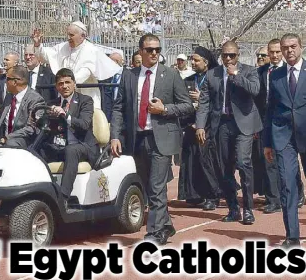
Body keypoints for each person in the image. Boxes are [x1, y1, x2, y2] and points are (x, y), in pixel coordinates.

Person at [110, 33, 193, 245]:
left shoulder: (171, 74)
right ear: (140, 51)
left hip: (161, 138)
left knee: (157, 187)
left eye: (158, 49)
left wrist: (165, 109)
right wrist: (115, 136)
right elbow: (119, 108)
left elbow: (187, 106)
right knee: (148, 187)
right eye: (150, 50)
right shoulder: (129, 75)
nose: (155, 53)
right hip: (138, 138)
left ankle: (154, 234)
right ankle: (165, 225)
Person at [196, 41, 262, 225]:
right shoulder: (212, 75)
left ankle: (248, 209)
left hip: (244, 124)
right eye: (225, 55)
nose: (228, 59)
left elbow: (255, 90)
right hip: (221, 124)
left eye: (232, 55)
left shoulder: (249, 71)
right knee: (224, 167)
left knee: (244, 163)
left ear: (238, 55)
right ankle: (233, 209)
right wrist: (200, 125)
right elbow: (204, 102)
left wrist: (237, 76)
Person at [263, 33, 306, 248]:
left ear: (301, 47)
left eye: (293, 46)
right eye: (285, 47)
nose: (289, 51)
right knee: (288, 185)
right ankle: (292, 237)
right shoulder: (276, 75)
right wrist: (267, 142)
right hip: (283, 137)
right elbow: (270, 108)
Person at [256, 39, 305, 213]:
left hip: (302, 128)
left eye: (279, 51)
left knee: (293, 174)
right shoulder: (266, 73)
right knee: (279, 172)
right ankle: (274, 201)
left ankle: (299, 194)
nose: (276, 55)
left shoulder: (300, 71)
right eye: (272, 52)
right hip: (278, 128)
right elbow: (266, 104)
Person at [39, 68, 99, 208]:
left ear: (74, 83)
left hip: (83, 145)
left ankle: (62, 198)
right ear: (56, 86)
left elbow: (84, 124)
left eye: (67, 82)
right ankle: (40, 193)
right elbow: (43, 125)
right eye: (60, 83)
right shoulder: (52, 103)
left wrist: (66, 116)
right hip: (60, 145)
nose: (64, 86)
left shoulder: (85, 100)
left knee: (71, 150)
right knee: (35, 151)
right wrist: (42, 118)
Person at [31, 21, 118, 109]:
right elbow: (45, 56)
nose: (68, 38)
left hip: (85, 95)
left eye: (71, 35)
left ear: (82, 36)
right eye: (68, 35)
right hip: (65, 95)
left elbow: (86, 71)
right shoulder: (64, 47)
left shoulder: (91, 50)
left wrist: (69, 82)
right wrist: (38, 45)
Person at [178, 47, 222, 210]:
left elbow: (220, 103)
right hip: (191, 125)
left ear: (206, 62)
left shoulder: (215, 79)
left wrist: (203, 99)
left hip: (210, 127)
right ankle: (194, 194)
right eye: (192, 60)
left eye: (197, 60)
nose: (193, 63)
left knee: (207, 161)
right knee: (191, 161)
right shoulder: (188, 80)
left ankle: (213, 195)